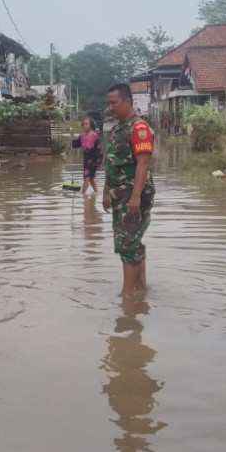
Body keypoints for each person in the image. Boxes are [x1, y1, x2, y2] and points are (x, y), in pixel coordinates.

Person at [102, 83, 155, 297]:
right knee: (132, 241)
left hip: (133, 195)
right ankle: (141, 289)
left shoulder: (139, 129)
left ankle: (126, 295)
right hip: (119, 195)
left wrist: (135, 197)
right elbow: (112, 163)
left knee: (126, 243)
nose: (110, 107)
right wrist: (106, 192)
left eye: (114, 103)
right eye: (108, 103)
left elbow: (143, 164)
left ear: (127, 102)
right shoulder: (116, 130)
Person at [71, 117, 103, 194]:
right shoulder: (82, 136)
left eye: (87, 124)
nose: (85, 126)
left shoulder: (95, 136)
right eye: (83, 124)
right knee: (91, 179)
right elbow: (75, 145)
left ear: (90, 125)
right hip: (86, 160)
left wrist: (99, 162)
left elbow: (99, 150)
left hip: (93, 160)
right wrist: (72, 136)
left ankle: (83, 194)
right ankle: (97, 193)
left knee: (86, 178)